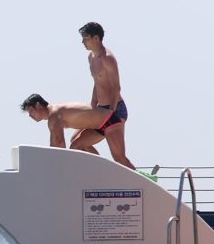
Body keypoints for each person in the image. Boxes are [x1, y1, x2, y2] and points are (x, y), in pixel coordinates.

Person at [71, 22, 135, 169]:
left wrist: (110, 112)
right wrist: (92, 107)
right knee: (76, 143)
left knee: (119, 157)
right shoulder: (91, 58)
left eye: (85, 38)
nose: (82, 42)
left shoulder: (108, 58)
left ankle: (141, 179)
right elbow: (97, 83)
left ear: (96, 38)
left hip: (115, 110)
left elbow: (116, 87)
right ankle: (102, 170)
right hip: (101, 110)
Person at [20, 93, 120, 149]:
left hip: (109, 120)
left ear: (38, 105)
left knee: (120, 158)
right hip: (101, 125)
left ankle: (133, 173)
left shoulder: (53, 116)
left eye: (31, 111)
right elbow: (55, 145)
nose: (30, 115)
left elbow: (59, 144)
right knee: (76, 145)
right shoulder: (54, 114)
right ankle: (98, 168)